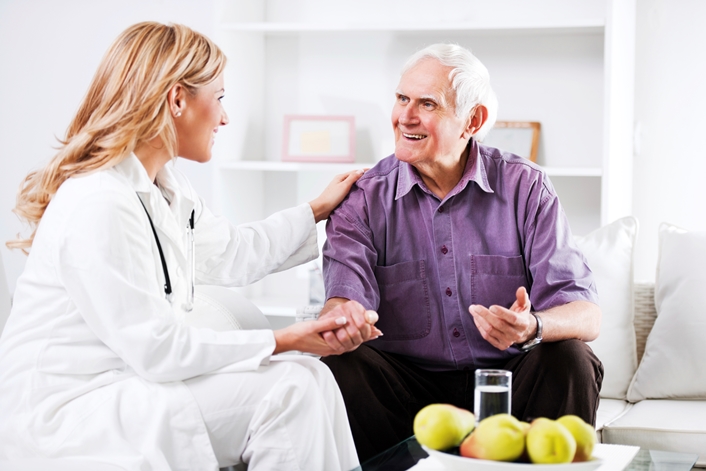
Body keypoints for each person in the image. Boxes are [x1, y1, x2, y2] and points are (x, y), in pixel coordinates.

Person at [0, 22, 379, 471]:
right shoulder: (99, 202)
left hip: (127, 385)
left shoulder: (163, 186)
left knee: (312, 375)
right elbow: (157, 350)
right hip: (70, 410)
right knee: (289, 390)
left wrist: (316, 210)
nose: (224, 118)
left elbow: (233, 253)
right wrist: (281, 340)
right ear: (178, 99)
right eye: (219, 97)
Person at [318, 43, 603, 462]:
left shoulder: (526, 188)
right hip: (404, 387)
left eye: (427, 103)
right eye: (402, 99)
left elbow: (586, 313)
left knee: (570, 357)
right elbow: (343, 298)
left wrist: (532, 325)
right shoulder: (363, 197)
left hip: (506, 383)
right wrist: (344, 319)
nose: (405, 116)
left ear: (473, 120)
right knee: (343, 364)